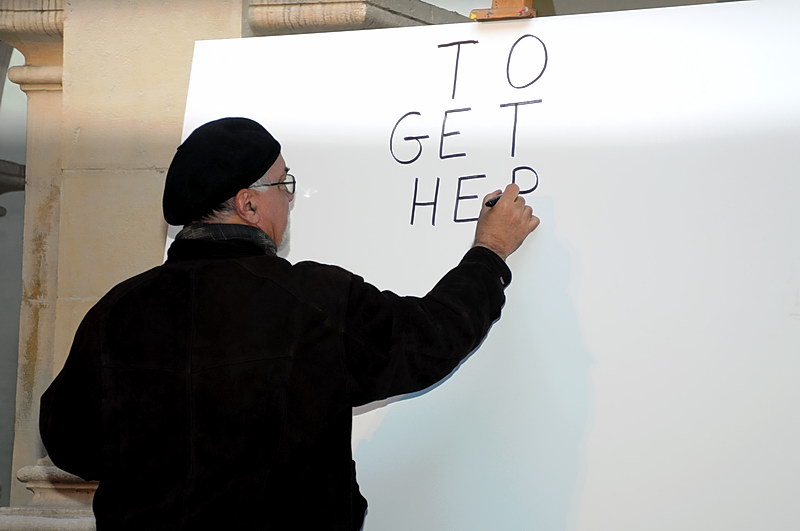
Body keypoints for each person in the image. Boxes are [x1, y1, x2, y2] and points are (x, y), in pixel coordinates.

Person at [39, 117, 539, 530]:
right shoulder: (312, 300)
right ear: (248, 203)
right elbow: (429, 338)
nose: (291, 197)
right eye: (284, 183)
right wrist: (490, 251)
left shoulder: (117, 311)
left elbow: (68, 442)